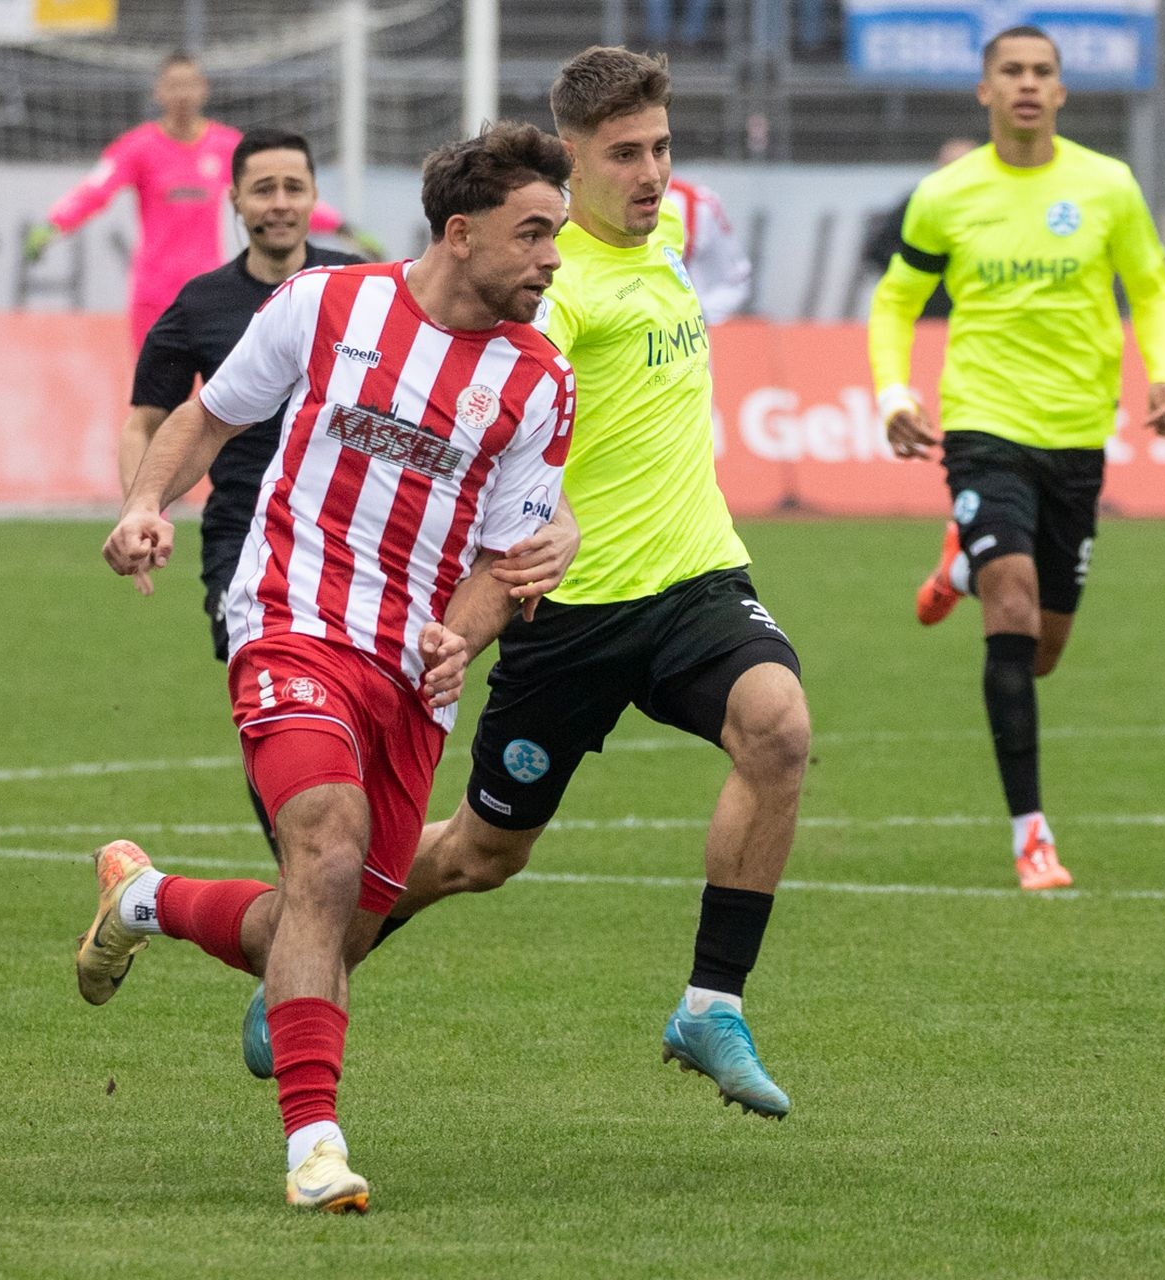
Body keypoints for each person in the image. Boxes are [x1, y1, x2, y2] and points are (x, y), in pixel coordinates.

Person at [246, 45, 811, 1120]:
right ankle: (310, 957)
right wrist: (540, 529)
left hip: (695, 580)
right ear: (572, 161)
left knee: (778, 728)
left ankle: (711, 1003)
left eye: (661, 148)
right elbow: (496, 418)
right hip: (568, 613)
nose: (651, 173)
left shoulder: (669, 235)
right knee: (480, 854)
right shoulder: (547, 296)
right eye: (625, 155)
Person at [80, 121, 581, 1212]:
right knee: (327, 844)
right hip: (289, 617)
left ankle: (147, 899)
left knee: (322, 916)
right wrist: (143, 505)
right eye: (535, 233)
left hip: (410, 671)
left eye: (558, 234)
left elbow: (511, 556)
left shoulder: (542, 379)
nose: (553, 258)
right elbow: (208, 418)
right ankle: (315, 1146)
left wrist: (462, 631)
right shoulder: (326, 305)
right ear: (461, 232)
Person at [866, 25, 1165, 892]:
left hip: (1077, 436)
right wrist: (894, 395)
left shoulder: (1107, 186)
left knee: (1040, 649)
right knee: (1011, 602)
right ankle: (1031, 835)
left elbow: (1153, 289)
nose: (1028, 84)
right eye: (1011, 71)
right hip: (984, 426)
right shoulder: (946, 195)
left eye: (1043, 71)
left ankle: (960, 566)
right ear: (986, 90)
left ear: (1062, 90)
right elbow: (895, 301)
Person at [120, 127, 365, 852]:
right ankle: (301, 874)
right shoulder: (201, 304)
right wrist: (140, 509)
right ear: (233, 200)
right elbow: (146, 421)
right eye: (263, 189)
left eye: (293, 188)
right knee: (276, 713)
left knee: (361, 716)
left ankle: (321, 879)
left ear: (315, 198)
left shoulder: (362, 289)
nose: (279, 203)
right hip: (245, 544)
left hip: (353, 537)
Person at [24, 52, 376, 353]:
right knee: (153, 397)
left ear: (203, 89)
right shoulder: (138, 147)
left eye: (189, 84)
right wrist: (54, 225)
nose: (182, 94)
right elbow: (95, 190)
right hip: (154, 294)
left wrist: (343, 228)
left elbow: (277, 194)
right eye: (173, 85)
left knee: (218, 395)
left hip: (212, 290)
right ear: (159, 92)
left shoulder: (226, 146)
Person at [859, 137, 977, 320]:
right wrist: (918, 266)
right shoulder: (917, 203)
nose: (956, 173)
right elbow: (878, 249)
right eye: (951, 164)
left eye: (964, 166)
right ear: (938, 165)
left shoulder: (990, 206)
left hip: (975, 312)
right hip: (924, 313)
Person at [663, 175, 752, 323]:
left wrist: (696, 316)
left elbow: (736, 280)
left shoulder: (698, 204)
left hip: (678, 330)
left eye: (659, 152)